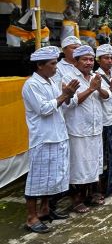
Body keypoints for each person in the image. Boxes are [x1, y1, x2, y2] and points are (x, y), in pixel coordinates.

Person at [22, 46, 79, 233]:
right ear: (40, 65)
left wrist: (67, 95)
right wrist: (65, 95)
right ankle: (31, 217)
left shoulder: (51, 81)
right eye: (52, 64)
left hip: (58, 135)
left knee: (51, 177)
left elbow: (62, 105)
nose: (56, 67)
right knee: (37, 179)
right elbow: (44, 109)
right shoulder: (31, 85)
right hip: (43, 138)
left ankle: (45, 209)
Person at [62, 45, 109, 213]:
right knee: (78, 166)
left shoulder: (94, 76)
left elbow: (106, 96)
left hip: (95, 127)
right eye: (85, 59)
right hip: (78, 129)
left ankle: (90, 194)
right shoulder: (69, 77)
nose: (89, 63)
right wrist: (91, 89)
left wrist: (97, 88)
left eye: (91, 59)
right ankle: (76, 200)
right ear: (76, 61)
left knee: (93, 164)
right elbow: (71, 102)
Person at [95, 44, 112, 197]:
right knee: (104, 156)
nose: (110, 61)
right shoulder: (96, 76)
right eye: (106, 58)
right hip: (104, 121)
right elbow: (104, 95)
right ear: (99, 60)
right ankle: (101, 189)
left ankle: (111, 185)